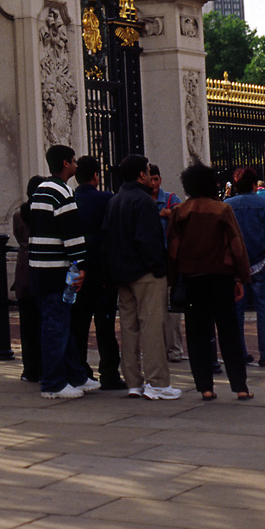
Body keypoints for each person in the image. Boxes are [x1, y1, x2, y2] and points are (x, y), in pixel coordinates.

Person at [167, 162, 252, 401]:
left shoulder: (180, 211)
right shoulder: (222, 210)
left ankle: (205, 386)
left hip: (192, 278)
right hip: (221, 277)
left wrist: (173, 279)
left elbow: (173, 249)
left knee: (197, 333)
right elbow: (236, 246)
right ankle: (240, 386)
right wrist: (241, 277)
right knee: (229, 331)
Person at [103, 154, 180, 399]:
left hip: (121, 273)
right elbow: (149, 240)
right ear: (141, 175)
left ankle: (133, 382)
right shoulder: (144, 201)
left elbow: (108, 238)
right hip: (146, 273)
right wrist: (159, 268)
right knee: (152, 326)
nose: (150, 175)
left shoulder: (115, 201)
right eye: (148, 171)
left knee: (129, 327)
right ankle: (157, 382)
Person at [29, 145, 96, 399]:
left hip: (40, 268)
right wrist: (82, 264)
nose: (77, 165)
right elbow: (71, 232)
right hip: (56, 269)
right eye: (74, 161)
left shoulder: (40, 190)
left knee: (58, 324)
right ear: (66, 163)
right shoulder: (63, 191)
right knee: (56, 326)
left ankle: (76, 376)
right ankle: (53, 382)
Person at [70, 156, 125, 389]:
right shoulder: (106, 198)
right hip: (102, 272)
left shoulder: (70, 199)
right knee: (106, 327)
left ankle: (80, 370)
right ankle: (110, 373)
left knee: (79, 326)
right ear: (96, 176)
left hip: (77, 271)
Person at [225, 166, 265, 367]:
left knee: (236, 310)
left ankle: (240, 353)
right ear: (255, 185)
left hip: (235, 265)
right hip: (262, 260)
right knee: (263, 308)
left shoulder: (227, 206)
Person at [148, 164, 185, 362]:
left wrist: (171, 215)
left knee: (172, 311)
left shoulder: (171, 200)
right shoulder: (143, 202)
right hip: (152, 262)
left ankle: (174, 349)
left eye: (156, 179)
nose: (153, 183)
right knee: (155, 309)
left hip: (170, 262)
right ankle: (158, 348)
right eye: (150, 179)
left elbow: (185, 222)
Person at [12, 175, 44, 383]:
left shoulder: (19, 215)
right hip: (42, 268)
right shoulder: (43, 213)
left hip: (24, 270)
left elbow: (18, 236)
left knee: (27, 324)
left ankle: (30, 369)